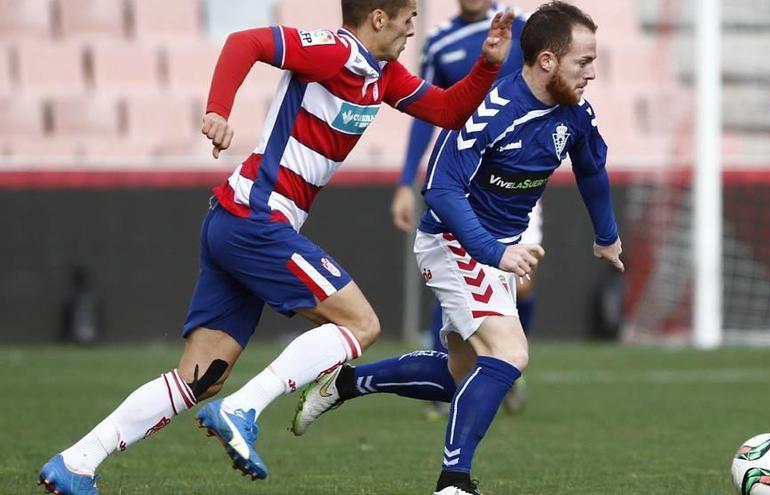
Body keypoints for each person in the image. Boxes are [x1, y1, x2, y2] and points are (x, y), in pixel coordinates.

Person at [37, 1, 515, 493]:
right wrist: (219, 110)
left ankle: (76, 463)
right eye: (408, 18)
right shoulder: (335, 52)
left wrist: (488, 64)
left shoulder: (383, 75)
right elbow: (246, 42)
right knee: (361, 323)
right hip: (255, 219)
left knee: (201, 376)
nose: (414, 28)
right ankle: (243, 410)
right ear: (377, 18)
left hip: (234, 220)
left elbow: (449, 109)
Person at [291, 3, 624, 494]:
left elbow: (591, 168)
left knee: (459, 377)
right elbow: (442, 188)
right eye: (583, 62)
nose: (592, 73)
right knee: (510, 353)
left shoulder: (575, 112)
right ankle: (455, 483)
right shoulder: (493, 110)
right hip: (452, 239)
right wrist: (493, 252)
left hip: (494, 247)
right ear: (548, 61)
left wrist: (606, 235)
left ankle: (343, 384)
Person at [391, 0, 533, 418]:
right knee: (459, 267)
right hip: (464, 174)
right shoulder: (439, 41)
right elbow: (425, 113)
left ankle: (502, 362)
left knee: (522, 282)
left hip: (515, 177)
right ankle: (452, 381)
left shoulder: (519, 26)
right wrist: (405, 181)